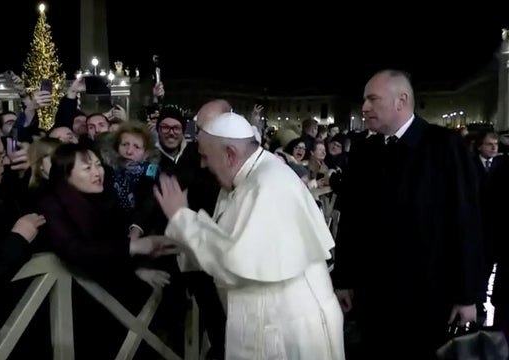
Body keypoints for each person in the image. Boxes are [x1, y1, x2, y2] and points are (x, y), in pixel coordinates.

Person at [154, 112, 344, 359]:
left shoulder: (267, 184)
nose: (203, 164)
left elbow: (235, 264)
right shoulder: (251, 176)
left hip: (287, 330)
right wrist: (179, 241)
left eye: (205, 156)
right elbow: (228, 239)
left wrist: (181, 219)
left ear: (230, 154)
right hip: (277, 322)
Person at [332, 69, 485, 358]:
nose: (364, 107)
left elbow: (467, 222)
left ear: (401, 100)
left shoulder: (445, 146)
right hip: (373, 295)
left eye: (372, 99)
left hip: (429, 297)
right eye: (364, 100)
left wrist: (467, 295)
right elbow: (350, 222)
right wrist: (343, 279)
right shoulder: (364, 151)